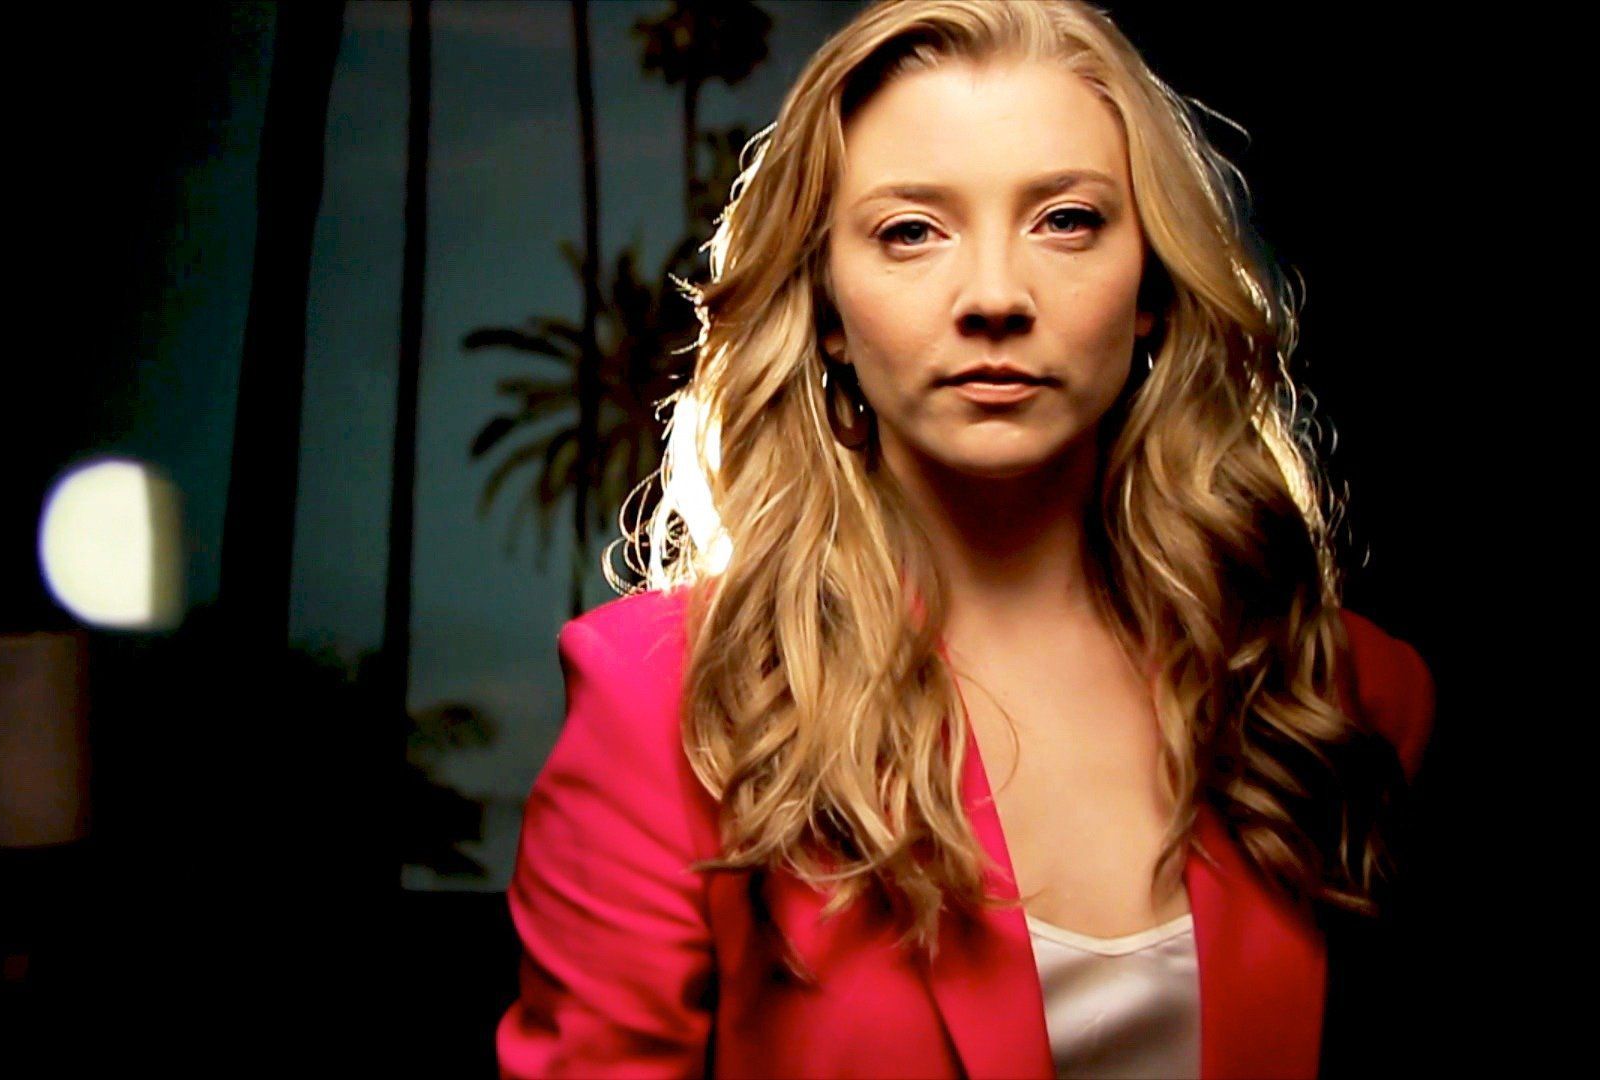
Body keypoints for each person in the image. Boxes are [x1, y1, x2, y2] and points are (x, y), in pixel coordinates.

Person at [496, 2, 1437, 1077]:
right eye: (911, 231)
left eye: (1067, 221)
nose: (995, 297)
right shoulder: (662, 708)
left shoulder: (1345, 693)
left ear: (1151, 289)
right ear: (828, 311)